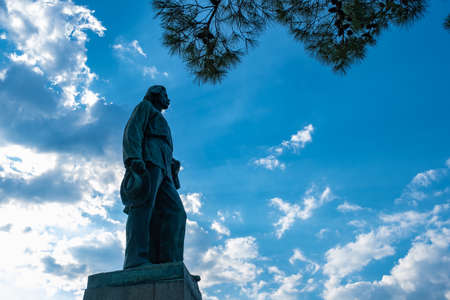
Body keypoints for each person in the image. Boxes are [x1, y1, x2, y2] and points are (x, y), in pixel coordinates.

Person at [121, 85, 186, 269]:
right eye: (165, 95)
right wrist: (134, 157)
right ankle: (135, 259)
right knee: (142, 208)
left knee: (176, 212)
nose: (168, 99)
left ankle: (170, 262)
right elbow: (132, 130)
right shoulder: (145, 107)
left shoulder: (160, 117)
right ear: (156, 94)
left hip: (164, 167)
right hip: (149, 160)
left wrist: (172, 162)